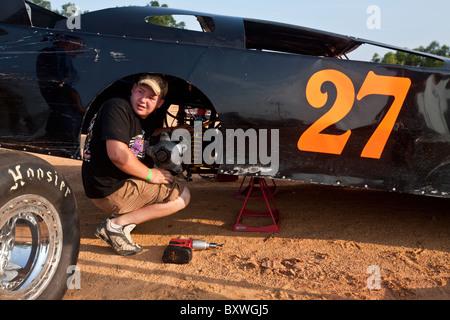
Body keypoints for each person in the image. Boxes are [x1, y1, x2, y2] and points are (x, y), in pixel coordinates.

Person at [82, 74, 190, 256]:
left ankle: (121, 216)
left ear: (160, 103)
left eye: (151, 97)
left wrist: (170, 130)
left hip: (108, 183)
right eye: (141, 92)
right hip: (110, 189)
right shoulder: (117, 107)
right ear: (132, 90)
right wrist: (150, 174)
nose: (143, 100)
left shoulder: (136, 115)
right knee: (183, 196)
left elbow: (145, 133)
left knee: (165, 177)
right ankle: (115, 226)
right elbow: (118, 155)